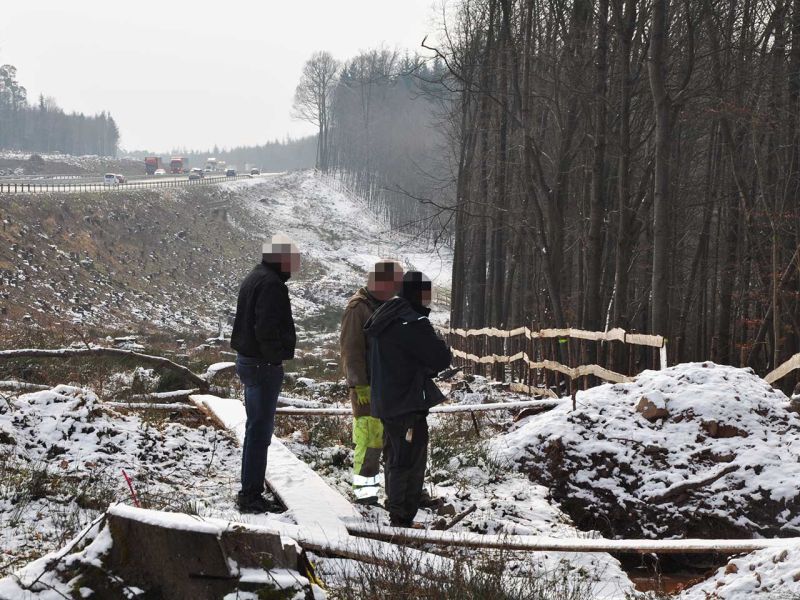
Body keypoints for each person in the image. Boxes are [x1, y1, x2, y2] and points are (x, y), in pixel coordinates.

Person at [364, 271, 451, 527]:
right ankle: (401, 519)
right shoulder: (411, 322)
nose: (429, 299)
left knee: (395, 456)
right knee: (408, 460)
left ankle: (397, 511)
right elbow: (439, 357)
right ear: (418, 293)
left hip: (387, 398)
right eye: (426, 293)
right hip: (407, 402)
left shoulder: (386, 315)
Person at [230, 234, 300, 513]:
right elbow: (266, 327)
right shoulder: (271, 284)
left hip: (249, 361)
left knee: (255, 428)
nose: (295, 265)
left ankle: (251, 489)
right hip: (261, 365)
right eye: (292, 259)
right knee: (260, 431)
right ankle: (250, 495)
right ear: (281, 258)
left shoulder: (256, 276)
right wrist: (276, 358)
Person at [339, 260, 404, 504]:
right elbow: (351, 350)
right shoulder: (358, 308)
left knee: (389, 441)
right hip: (367, 389)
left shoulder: (386, 305)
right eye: (395, 282)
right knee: (368, 441)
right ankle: (365, 494)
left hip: (387, 386)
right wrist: (358, 384)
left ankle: (394, 492)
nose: (398, 287)